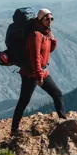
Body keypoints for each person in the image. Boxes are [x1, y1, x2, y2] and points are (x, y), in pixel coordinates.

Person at [10, 8, 67, 137]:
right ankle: (14, 130)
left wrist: (53, 40)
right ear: (40, 19)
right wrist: (39, 75)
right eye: (47, 19)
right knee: (24, 100)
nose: (50, 21)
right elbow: (35, 56)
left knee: (57, 94)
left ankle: (64, 122)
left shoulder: (45, 33)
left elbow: (47, 51)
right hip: (32, 73)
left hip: (40, 71)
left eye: (52, 18)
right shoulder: (35, 35)